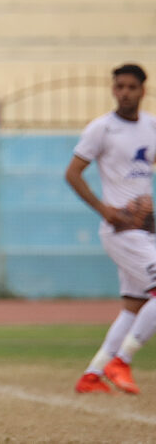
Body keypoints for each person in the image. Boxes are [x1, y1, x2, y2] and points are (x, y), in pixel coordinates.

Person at [67, 63, 156, 395]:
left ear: (143, 90)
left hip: (145, 229)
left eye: (131, 87)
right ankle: (122, 360)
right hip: (121, 231)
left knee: (134, 305)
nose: (124, 93)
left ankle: (92, 375)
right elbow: (73, 173)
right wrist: (105, 209)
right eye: (119, 86)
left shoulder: (151, 126)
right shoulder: (101, 129)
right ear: (113, 89)